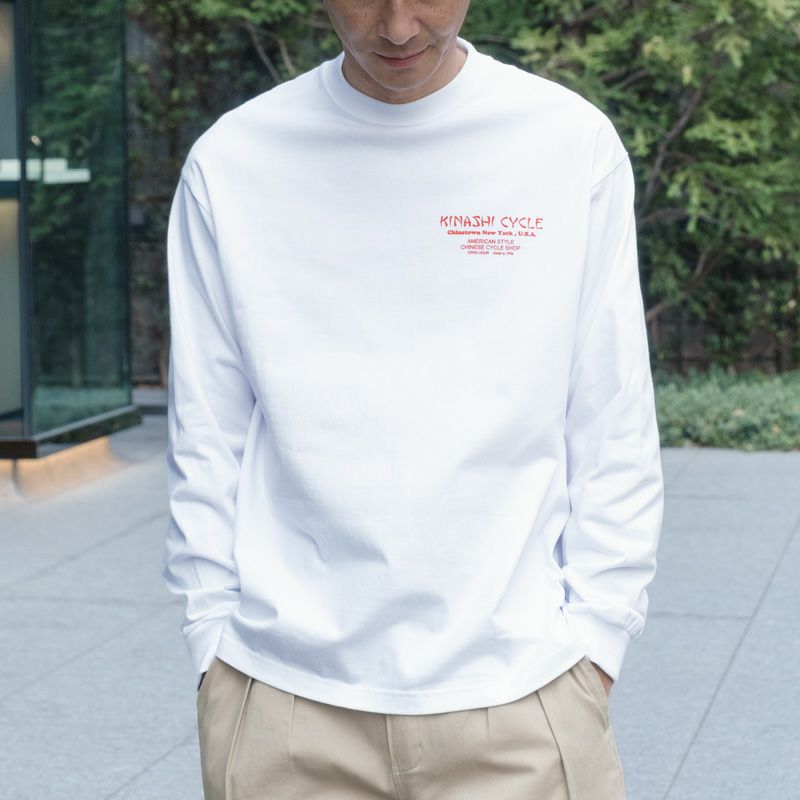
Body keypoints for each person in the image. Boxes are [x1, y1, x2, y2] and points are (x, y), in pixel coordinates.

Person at [161, 1, 665, 797]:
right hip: (283, 702)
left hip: (526, 694)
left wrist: (598, 640)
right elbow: (206, 429)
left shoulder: (567, 144)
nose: (398, 28)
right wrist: (212, 645)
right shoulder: (234, 161)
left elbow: (612, 416)